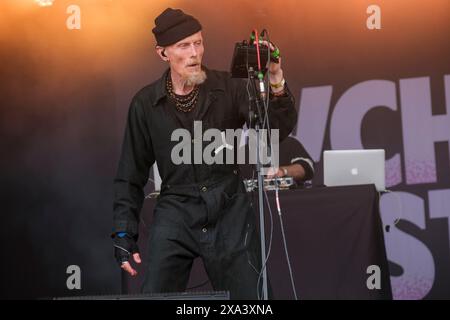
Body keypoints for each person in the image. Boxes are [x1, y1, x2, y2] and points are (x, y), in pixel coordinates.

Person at [112, 7, 296, 299]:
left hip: (229, 207)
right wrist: (124, 232)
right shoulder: (146, 103)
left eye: (198, 43)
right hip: (176, 208)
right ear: (163, 53)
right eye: (184, 46)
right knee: (155, 295)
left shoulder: (230, 88)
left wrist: (275, 79)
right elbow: (130, 174)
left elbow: (274, 128)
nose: (194, 52)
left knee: (251, 300)